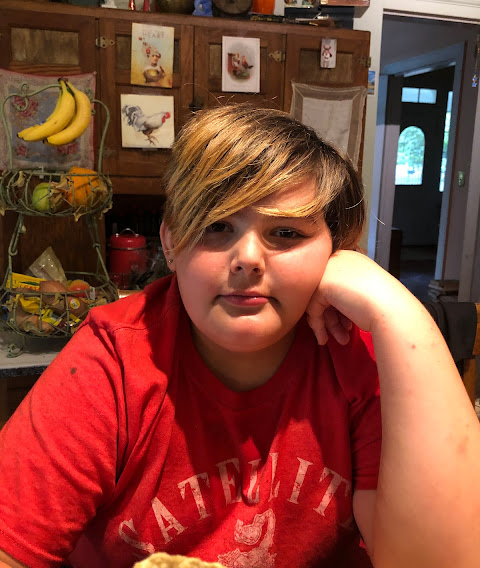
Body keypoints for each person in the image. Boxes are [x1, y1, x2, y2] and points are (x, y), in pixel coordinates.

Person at [0, 104, 479, 568]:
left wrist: (399, 312)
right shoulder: (113, 360)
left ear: (336, 250)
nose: (248, 258)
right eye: (216, 226)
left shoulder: (354, 350)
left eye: (286, 233)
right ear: (171, 242)